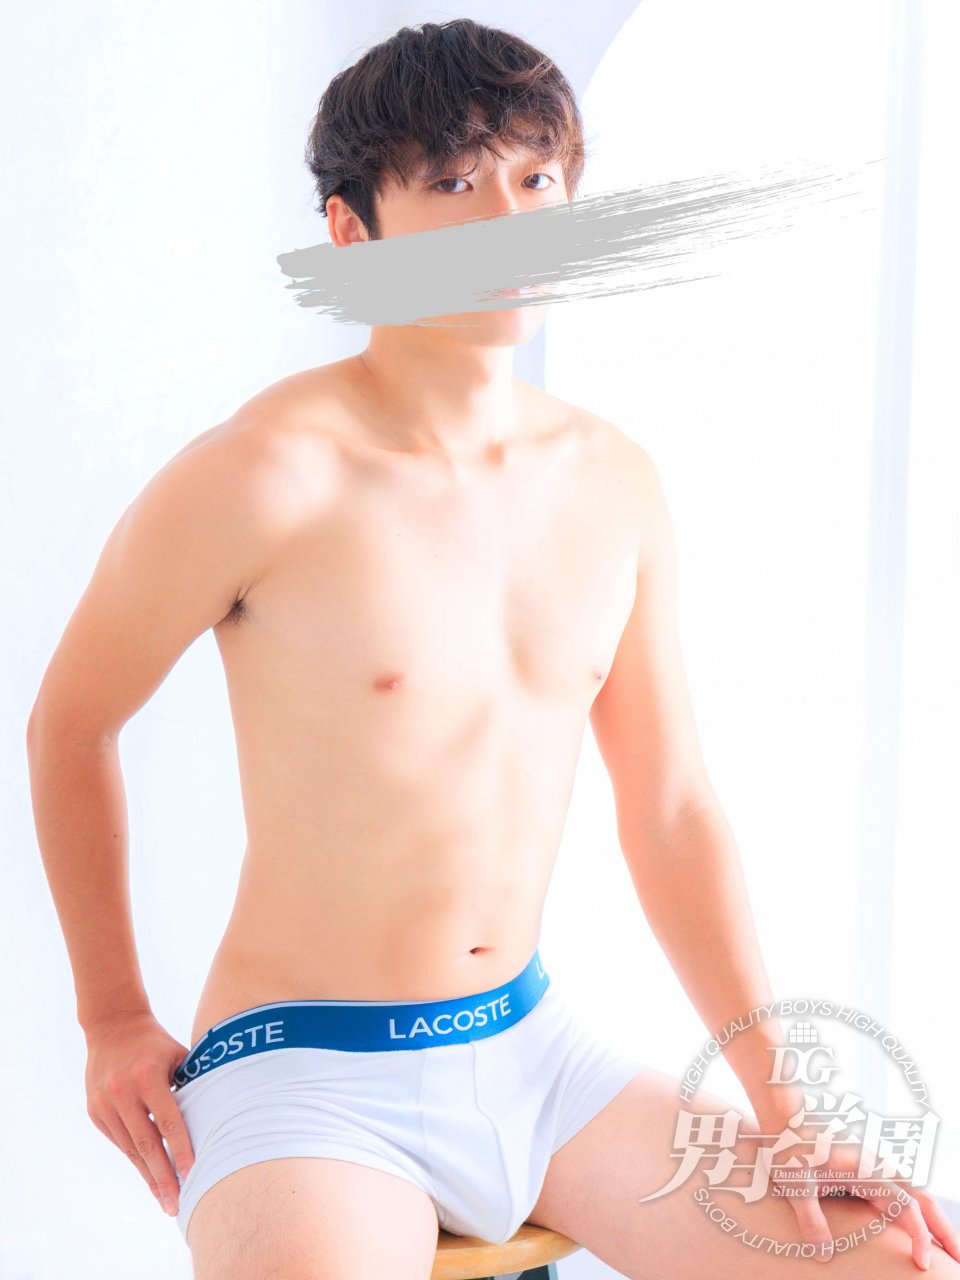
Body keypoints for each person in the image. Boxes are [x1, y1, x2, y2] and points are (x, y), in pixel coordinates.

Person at [26, 18, 960, 1280]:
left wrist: (783, 1105)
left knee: (901, 1259)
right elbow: (71, 721)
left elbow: (672, 808)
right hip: (305, 1075)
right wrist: (110, 1016)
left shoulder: (612, 481)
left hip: (537, 1056)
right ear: (354, 233)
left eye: (537, 178)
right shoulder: (261, 476)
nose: (510, 219)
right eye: (456, 182)